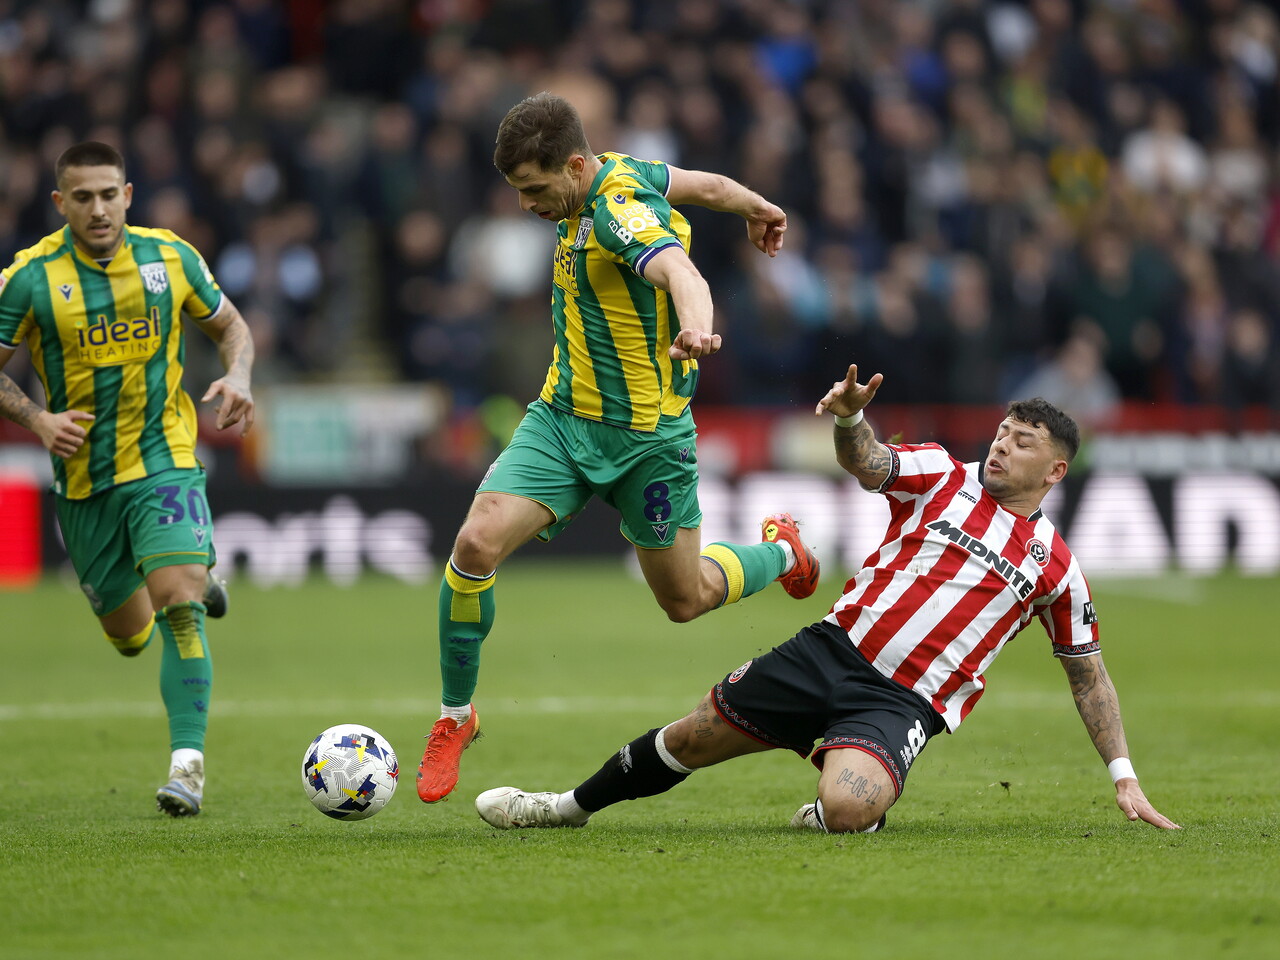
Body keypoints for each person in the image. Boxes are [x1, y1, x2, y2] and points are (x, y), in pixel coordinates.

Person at [473, 364, 1180, 833]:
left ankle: (841, 797)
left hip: (904, 701)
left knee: (848, 809)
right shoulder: (940, 473)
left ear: (1054, 469)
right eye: (1001, 434)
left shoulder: (1057, 568)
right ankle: (563, 807)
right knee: (691, 736)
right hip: (832, 648)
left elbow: (1088, 675)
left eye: (1021, 444)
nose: (1000, 448)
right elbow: (871, 463)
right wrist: (848, 422)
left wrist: (1124, 777)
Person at [417, 92, 820, 804]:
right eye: (517, 192)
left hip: (648, 445)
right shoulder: (616, 174)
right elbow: (710, 187)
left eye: (536, 190)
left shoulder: (616, 213)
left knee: (685, 600)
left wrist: (696, 327)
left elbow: (682, 273)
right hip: (563, 422)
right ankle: (456, 715)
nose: (527, 206)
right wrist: (759, 206)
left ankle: (784, 552)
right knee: (475, 545)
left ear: (576, 166)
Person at [0, 141, 255, 817]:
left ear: (128, 195)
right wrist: (38, 420)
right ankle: (198, 579)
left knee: (177, 602)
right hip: (85, 485)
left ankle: (187, 766)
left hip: (163, 457)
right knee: (129, 637)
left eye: (109, 194)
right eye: (82, 197)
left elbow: (231, 327)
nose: (99, 209)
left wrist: (239, 374)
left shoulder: (169, 257)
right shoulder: (29, 279)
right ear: (61, 204)